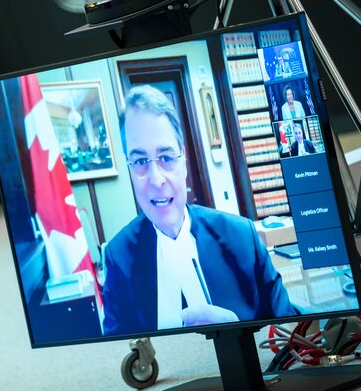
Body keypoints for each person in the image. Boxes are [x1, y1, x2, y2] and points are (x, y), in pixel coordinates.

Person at [101, 85, 296, 336]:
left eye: (166, 157)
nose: (156, 179)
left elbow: (294, 333)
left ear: (183, 161)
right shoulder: (119, 257)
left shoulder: (242, 237)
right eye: (139, 161)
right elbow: (118, 353)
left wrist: (239, 331)